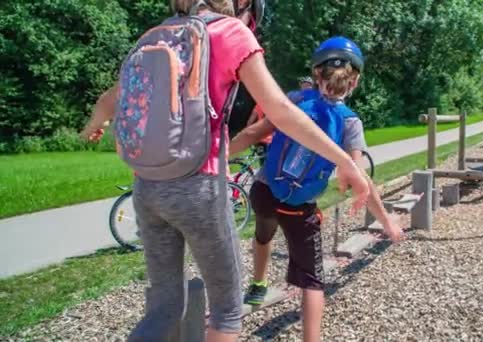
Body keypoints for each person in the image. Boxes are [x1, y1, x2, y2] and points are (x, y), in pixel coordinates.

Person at [80, 2, 370, 342]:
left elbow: (109, 100)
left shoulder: (163, 32)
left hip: (147, 189)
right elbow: (281, 111)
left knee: (164, 307)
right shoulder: (231, 31)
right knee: (227, 310)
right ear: (244, 5)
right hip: (198, 189)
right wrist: (348, 162)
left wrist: (93, 126)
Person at [230, 36, 402, 342]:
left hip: (264, 193)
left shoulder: (294, 101)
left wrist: (217, 158)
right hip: (299, 208)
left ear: (316, 74)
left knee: (263, 233)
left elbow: (255, 132)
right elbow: (361, 179)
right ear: (355, 82)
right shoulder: (350, 123)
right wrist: (387, 222)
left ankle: (257, 284)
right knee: (312, 282)